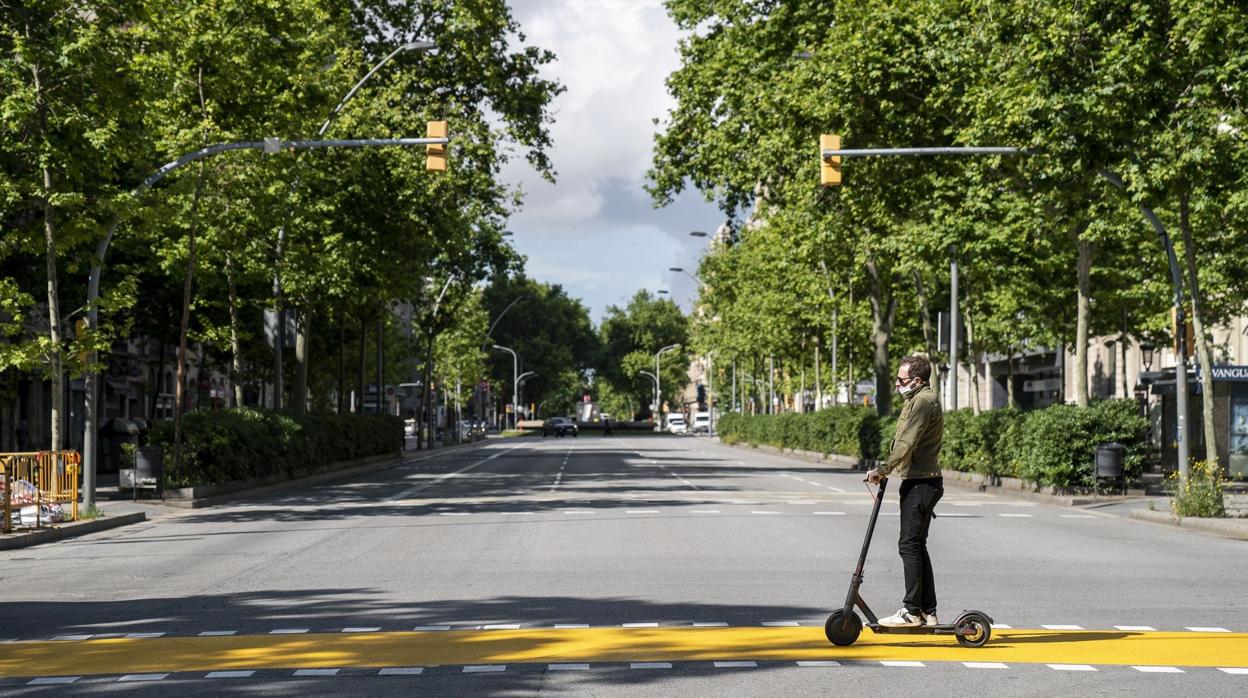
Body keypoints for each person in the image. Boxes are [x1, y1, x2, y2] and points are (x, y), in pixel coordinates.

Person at [866, 354, 944, 628]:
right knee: (916, 546)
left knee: (909, 546)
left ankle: (912, 612)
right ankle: (927, 611)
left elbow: (906, 443)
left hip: (921, 483)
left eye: (901, 379)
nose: (898, 384)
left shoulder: (922, 401)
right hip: (921, 480)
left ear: (917, 380)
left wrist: (883, 469)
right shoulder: (919, 399)